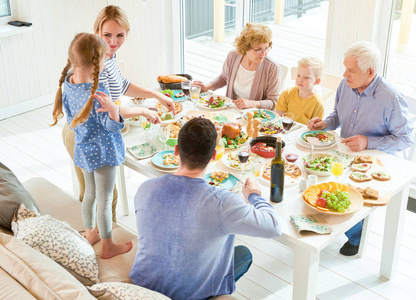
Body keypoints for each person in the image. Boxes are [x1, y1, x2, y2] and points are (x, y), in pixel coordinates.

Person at [130, 118, 282, 300]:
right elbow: (274, 226)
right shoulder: (223, 202)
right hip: (187, 294)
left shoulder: (146, 188)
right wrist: (254, 195)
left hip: (143, 286)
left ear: (176, 150)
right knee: (244, 254)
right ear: (214, 155)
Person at [62, 5, 168, 221]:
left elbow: (122, 85)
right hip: (82, 134)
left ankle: (98, 238)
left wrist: (156, 95)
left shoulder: (108, 56)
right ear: (97, 31)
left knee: (96, 194)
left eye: (120, 35)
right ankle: (101, 243)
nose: (113, 41)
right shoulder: (93, 64)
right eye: (107, 35)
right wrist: (142, 110)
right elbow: (105, 108)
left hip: (91, 128)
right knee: (101, 196)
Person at [307, 41, 413, 256]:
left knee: (344, 188)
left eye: (351, 70)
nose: (345, 74)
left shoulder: (390, 97)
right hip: (345, 154)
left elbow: (405, 139)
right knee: (309, 171)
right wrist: (326, 124)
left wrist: (368, 142)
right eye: (345, 68)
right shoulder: (346, 85)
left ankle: (356, 237)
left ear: (370, 71)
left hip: (378, 163)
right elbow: (337, 115)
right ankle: (325, 223)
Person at [51, 33, 132, 258]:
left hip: (83, 150)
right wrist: (115, 111)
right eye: (105, 59)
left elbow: (71, 117)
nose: (106, 62)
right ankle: (107, 246)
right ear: (97, 62)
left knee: (89, 195)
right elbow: (113, 126)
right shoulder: (99, 92)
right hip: (104, 154)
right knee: (105, 200)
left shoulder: (68, 83)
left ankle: (90, 233)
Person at [194, 23, 281, 110]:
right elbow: (224, 78)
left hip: (254, 117)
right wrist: (206, 87)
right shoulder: (233, 56)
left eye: (266, 48)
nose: (263, 53)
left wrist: (252, 103)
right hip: (230, 110)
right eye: (258, 49)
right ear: (246, 47)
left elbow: (273, 101)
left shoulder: (272, 67)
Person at [275, 57, 324, 124]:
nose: (300, 80)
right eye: (298, 75)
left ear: (317, 81)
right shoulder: (287, 93)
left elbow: (315, 129)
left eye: (306, 77)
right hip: (284, 131)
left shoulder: (318, 104)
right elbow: (278, 117)